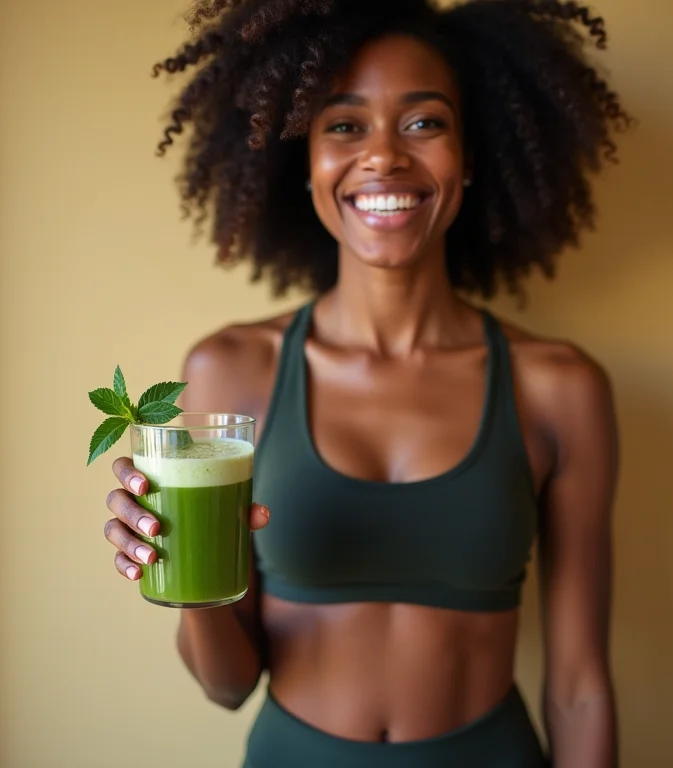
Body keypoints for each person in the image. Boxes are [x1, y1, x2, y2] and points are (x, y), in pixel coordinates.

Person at [103, 1, 629, 765]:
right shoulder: (232, 370)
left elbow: (580, 687)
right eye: (344, 125)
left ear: (471, 157)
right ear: (307, 161)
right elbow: (226, 684)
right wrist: (178, 577)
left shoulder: (560, 389)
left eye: (423, 123)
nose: (383, 157)